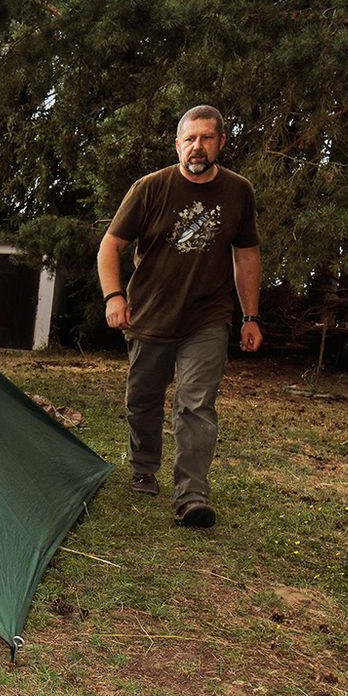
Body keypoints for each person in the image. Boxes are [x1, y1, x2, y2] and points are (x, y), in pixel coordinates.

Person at [97, 104, 262, 528]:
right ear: (177, 144)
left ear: (221, 142)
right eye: (189, 138)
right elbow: (109, 247)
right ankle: (144, 465)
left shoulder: (238, 191)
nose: (197, 146)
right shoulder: (150, 188)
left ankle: (191, 496)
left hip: (207, 317)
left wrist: (250, 316)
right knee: (144, 400)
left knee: (196, 404)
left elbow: (246, 256)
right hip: (149, 315)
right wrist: (115, 296)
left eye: (206, 137)